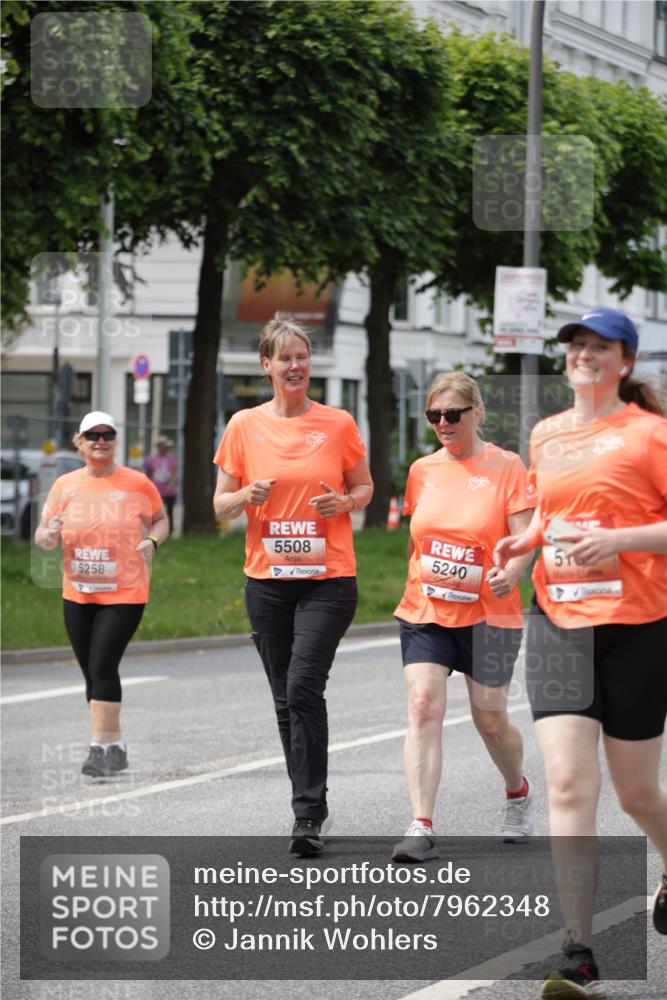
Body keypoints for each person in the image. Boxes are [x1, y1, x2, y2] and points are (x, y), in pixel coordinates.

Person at [494, 308, 667, 999]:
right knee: (567, 785)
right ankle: (578, 951)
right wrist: (524, 545)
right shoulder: (547, 434)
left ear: (624, 362)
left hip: (638, 626)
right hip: (558, 620)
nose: (583, 355)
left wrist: (621, 542)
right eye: (574, 345)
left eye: (599, 347)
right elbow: (550, 508)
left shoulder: (650, 434)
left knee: (634, 794)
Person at [213, 316, 373, 856]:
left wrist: (346, 503)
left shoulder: (337, 423)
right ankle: (307, 806)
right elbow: (219, 503)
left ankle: (307, 814)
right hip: (267, 581)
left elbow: (365, 485)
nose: (295, 365)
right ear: (267, 366)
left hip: (327, 578)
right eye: (284, 357)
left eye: (302, 356)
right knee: (285, 698)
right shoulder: (243, 426)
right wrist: (246, 497)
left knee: (303, 686)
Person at [392, 371, 538, 863]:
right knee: (422, 705)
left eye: (453, 414)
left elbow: (522, 541)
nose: (444, 423)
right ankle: (421, 823)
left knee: (490, 719)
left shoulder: (507, 466)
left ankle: (517, 792)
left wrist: (511, 571)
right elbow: (419, 539)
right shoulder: (422, 470)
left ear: (477, 412)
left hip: (489, 613)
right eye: (435, 415)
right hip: (425, 608)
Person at [34, 411, 168, 777]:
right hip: (77, 592)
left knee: (102, 665)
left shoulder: (137, 483)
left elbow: (160, 518)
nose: (100, 441)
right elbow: (43, 535)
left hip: (125, 591)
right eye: (92, 435)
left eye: (107, 434)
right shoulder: (64, 485)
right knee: (91, 674)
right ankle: (115, 745)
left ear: (115, 441)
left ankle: (98, 748)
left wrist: (153, 541)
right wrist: (48, 535)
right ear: (80, 442)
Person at [145, 435, 177, 534]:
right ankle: (154, 529)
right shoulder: (152, 458)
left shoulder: (171, 458)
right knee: (155, 510)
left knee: (169, 510)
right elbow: (149, 472)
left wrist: (171, 484)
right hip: (156, 488)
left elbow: (174, 472)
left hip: (169, 490)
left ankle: (170, 530)